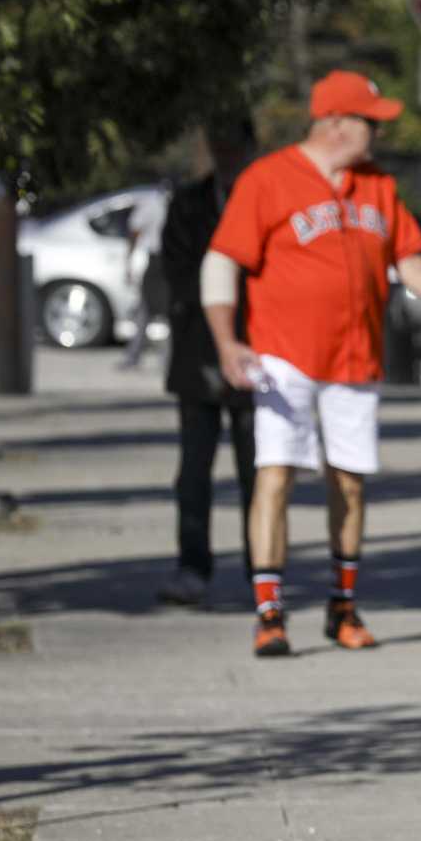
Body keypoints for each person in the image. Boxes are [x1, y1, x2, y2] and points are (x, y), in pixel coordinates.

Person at [201, 70, 421, 657]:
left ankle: (343, 608)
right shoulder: (269, 179)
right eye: (371, 121)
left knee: (350, 484)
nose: (379, 132)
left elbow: (408, 262)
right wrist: (226, 342)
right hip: (284, 357)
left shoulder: (378, 187)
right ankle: (269, 611)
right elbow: (222, 263)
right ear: (336, 123)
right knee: (276, 476)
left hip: (355, 357)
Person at [156, 118, 260, 607]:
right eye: (216, 144)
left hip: (256, 351)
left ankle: (262, 568)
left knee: (257, 469)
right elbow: (174, 269)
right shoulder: (189, 202)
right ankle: (192, 565)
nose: (224, 153)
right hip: (198, 353)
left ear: (248, 146)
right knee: (194, 469)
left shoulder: (263, 197)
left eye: (231, 143)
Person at [118, 181, 169, 369]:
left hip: (162, 259)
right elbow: (136, 230)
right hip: (159, 260)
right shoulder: (156, 203)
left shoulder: (152, 203)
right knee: (148, 308)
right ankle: (138, 356)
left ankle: (154, 358)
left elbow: (135, 231)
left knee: (152, 309)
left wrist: (129, 259)